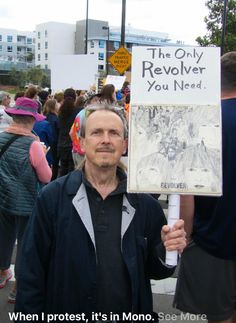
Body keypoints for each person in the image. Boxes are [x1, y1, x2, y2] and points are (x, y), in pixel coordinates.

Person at [15, 104, 186, 322]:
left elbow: (156, 271)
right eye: (97, 132)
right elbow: (31, 272)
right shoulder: (52, 199)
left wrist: (166, 249)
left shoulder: (146, 206)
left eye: (113, 133)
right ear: (83, 142)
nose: (105, 139)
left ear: (124, 144)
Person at [174, 52, 236, 323]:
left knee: (218, 317)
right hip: (216, 239)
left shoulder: (199, 122)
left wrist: (184, 236)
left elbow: (187, 191)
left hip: (213, 240)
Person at [0, 97, 52, 303]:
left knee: (3, 238)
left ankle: (2, 273)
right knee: (25, 244)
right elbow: (46, 177)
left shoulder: (0, 138)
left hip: (2, 199)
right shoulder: (34, 144)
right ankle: (18, 288)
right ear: (32, 120)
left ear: (13, 116)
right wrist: (44, 154)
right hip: (26, 203)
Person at [57, 88, 81, 176]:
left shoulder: (60, 112)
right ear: (75, 98)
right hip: (72, 145)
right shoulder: (78, 112)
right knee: (71, 171)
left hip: (61, 145)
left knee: (63, 170)